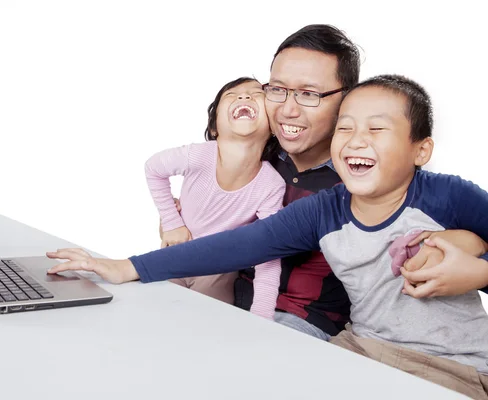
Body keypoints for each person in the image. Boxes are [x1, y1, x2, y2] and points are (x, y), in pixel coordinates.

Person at [45, 74, 488, 398]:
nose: (355, 140)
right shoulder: (326, 208)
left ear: (420, 150)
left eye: (376, 129)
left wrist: (479, 271)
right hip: (358, 350)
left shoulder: (446, 195)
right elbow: (241, 244)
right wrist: (127, 267)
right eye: (346, 128)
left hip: (453, 368)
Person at [163, 24, 487, 341]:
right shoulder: (256, 153)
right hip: (223, 299)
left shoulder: (371, 176)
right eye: (277, 89)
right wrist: (177, 220)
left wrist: (478, 265)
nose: (288, 109)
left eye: (309, 94)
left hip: (306, 325)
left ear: (347, 100)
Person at [143, 76, 285, 318]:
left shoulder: (271, 185)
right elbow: (153, 168)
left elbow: (269, 251)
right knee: (154, 312)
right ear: (214, 128)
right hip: (176, 252)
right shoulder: (199, 155)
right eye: (232, 95)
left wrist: (262, 317)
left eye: (255, 94)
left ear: (273, 128)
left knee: (206, 324)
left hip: (218, 269)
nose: (243, 96)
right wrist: (171, 221)